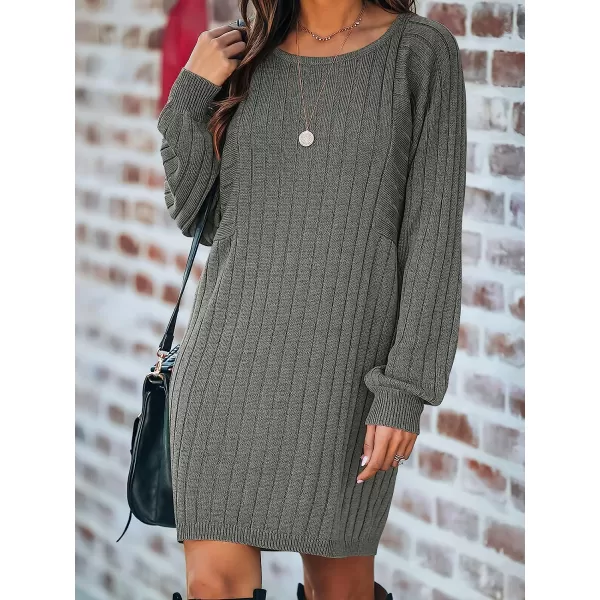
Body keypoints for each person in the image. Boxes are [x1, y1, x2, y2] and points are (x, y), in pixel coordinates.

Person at [158, 1, 466, 598]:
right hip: (225, 375)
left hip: (346, 388)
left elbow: (432, 240)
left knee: (340, 590)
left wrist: (404, 392)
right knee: (213, 586)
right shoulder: (245, 53)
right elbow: (199, 213)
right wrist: (191, 94)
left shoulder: (421, 55)